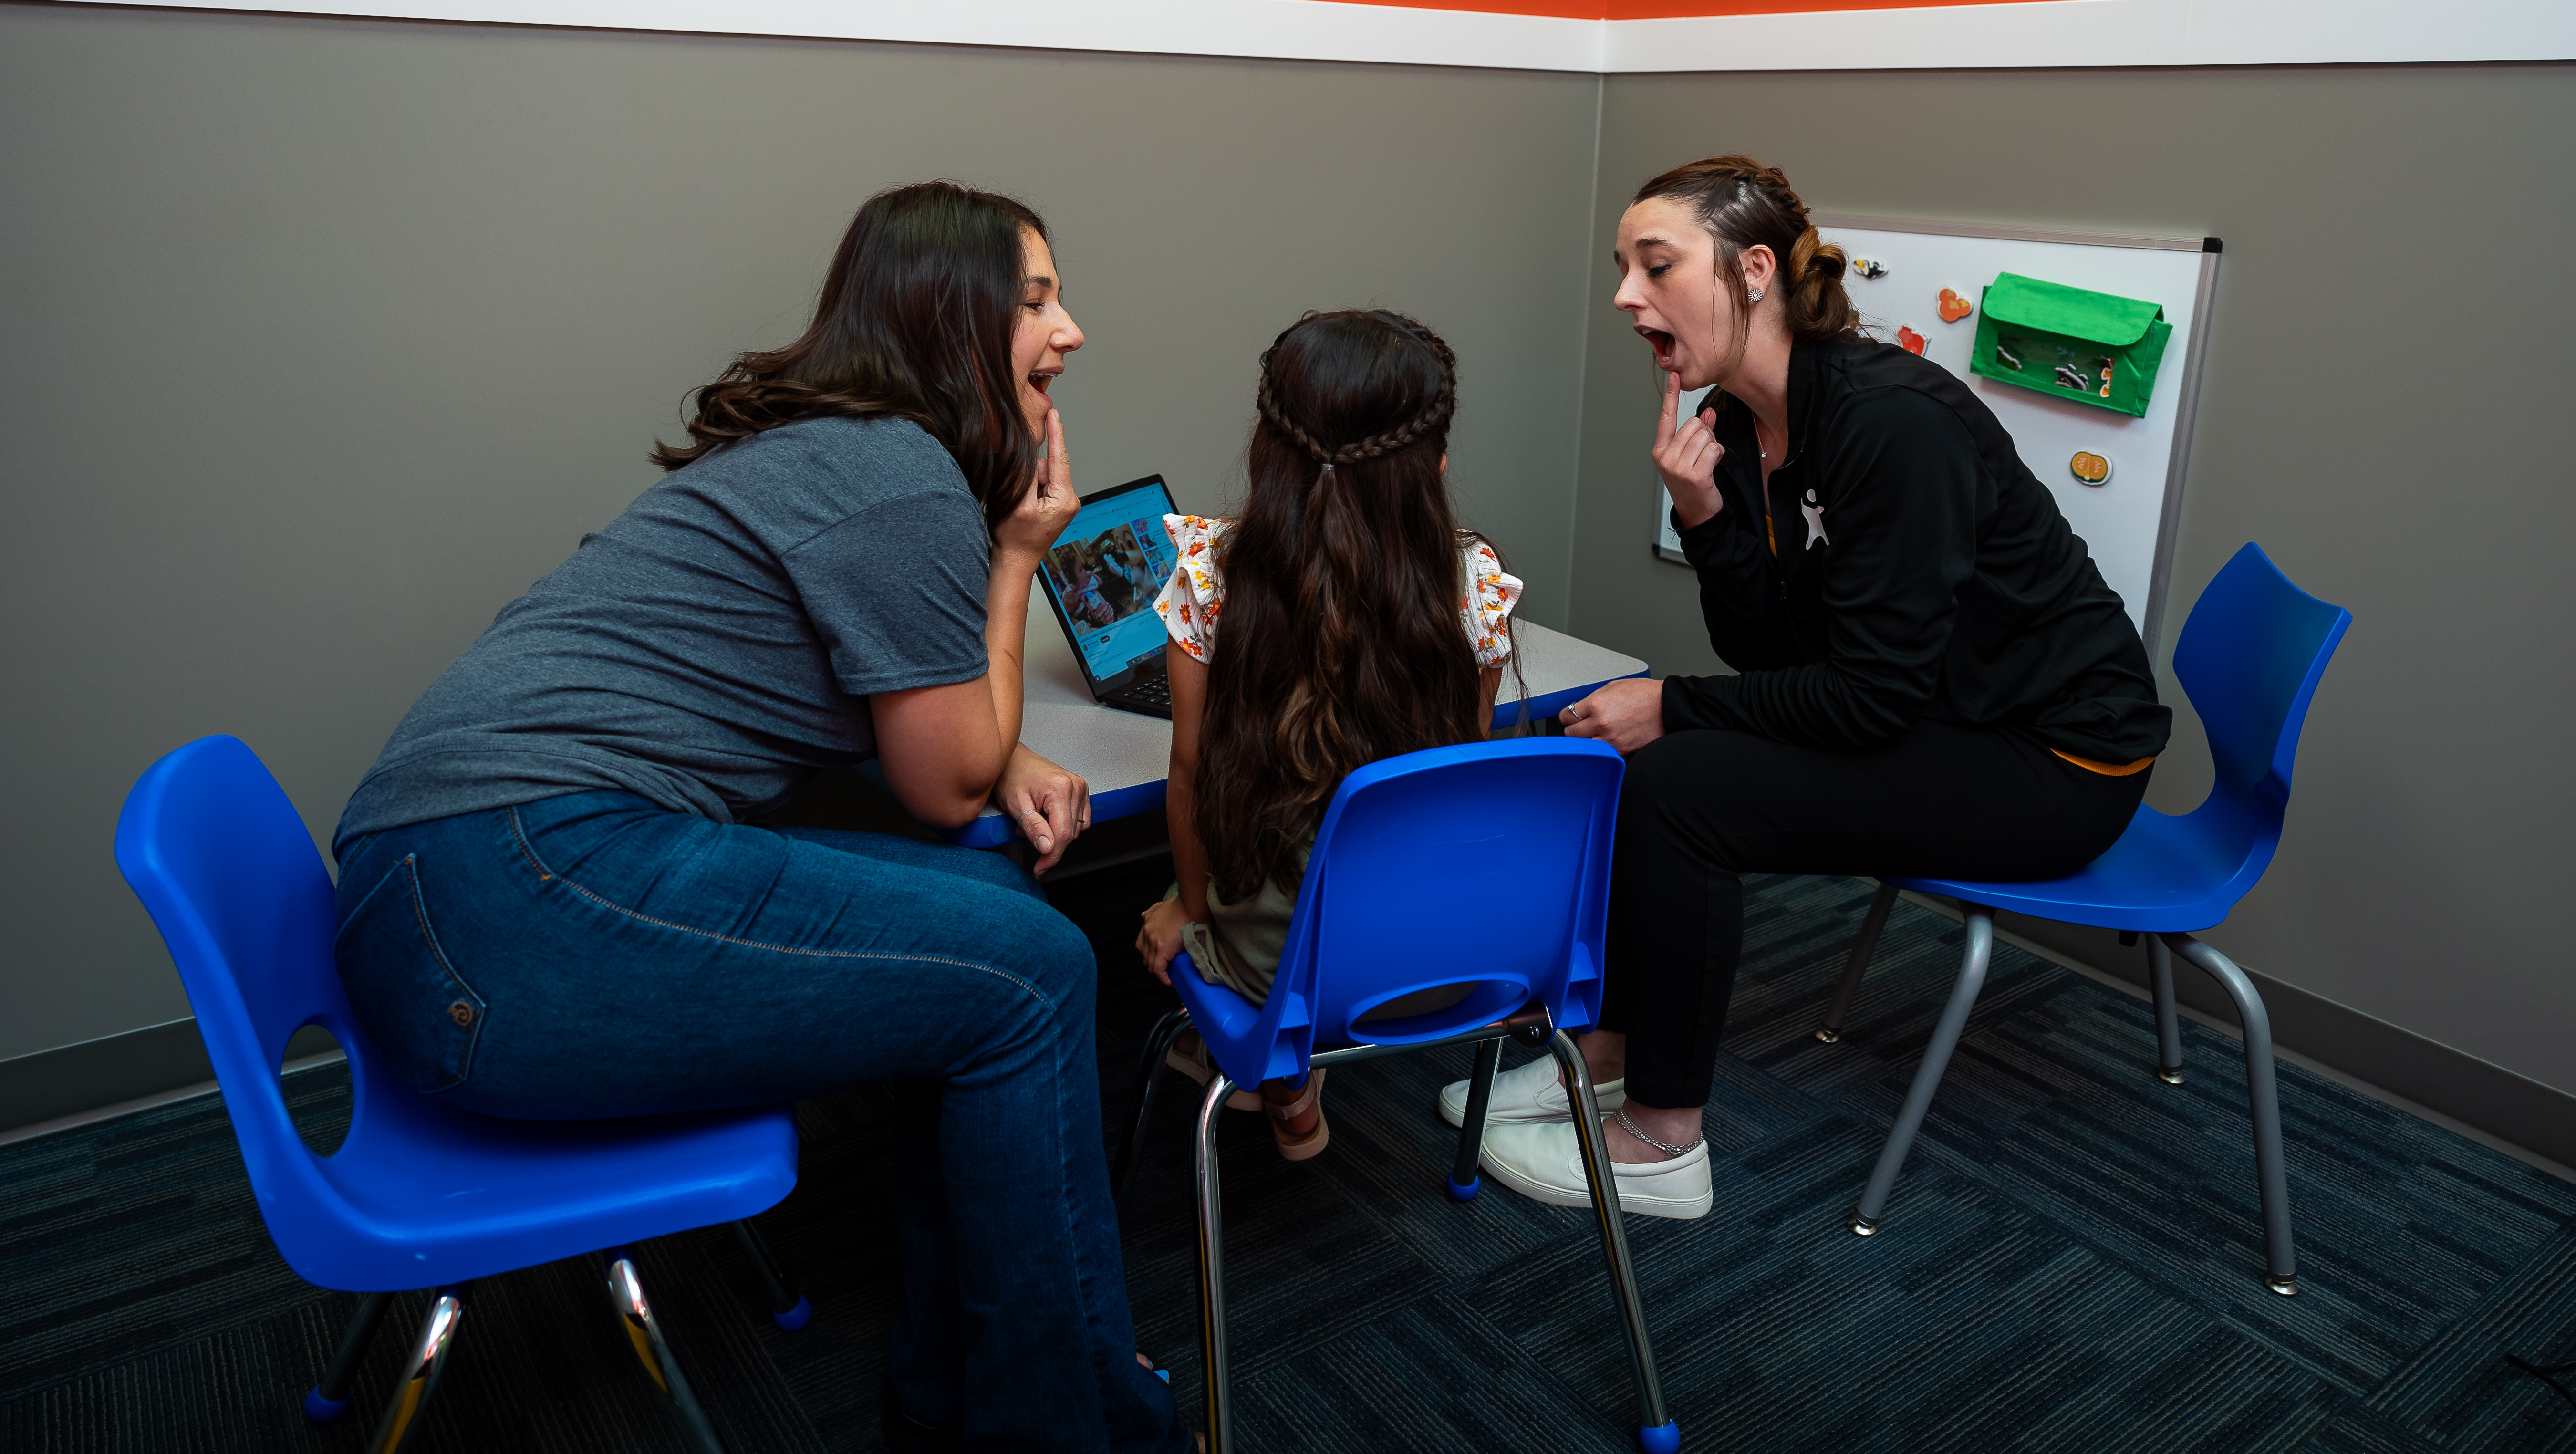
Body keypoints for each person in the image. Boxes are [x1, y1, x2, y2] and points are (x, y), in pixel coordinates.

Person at [327, 182, 1189, 1451]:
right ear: (951, 318)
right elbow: (944, 781)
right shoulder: (898, 475)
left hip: (442, 881)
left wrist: (978, 750)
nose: (1071, 333)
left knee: (998, 917)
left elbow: (923, 741)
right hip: (508, 900)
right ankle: (1066, 1425)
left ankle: (962, 1392)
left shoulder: (829, 449)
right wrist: (1015, 557)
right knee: (1036, 973)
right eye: (1040, 300)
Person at [1455, 156, 2169, 1222]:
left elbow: (1867, 700)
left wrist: (1675, 705)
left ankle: (1661, 1142)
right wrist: (1701, 514)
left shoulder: (1892, 422)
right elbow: (1769, 654)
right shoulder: (1743, 427)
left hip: (2060, 759)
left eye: (1655, 265)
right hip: (1947, 714)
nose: (1623, 296)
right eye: (1622, 269)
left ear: (1752, 273)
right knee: (1653, 766)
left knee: (1679, 790)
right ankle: (1604, 1060)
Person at [1133, 310, 1524, 1159]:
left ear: (1268, 451)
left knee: (1220, 878)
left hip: (1287, 977)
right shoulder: (1475, 585)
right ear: (1436, 462)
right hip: (1449, 960)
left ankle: (1277, 1078)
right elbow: (1455, 785)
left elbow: (1191, 775)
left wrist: (1188, 914)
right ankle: (1284, 1084)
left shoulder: (1211, 575)